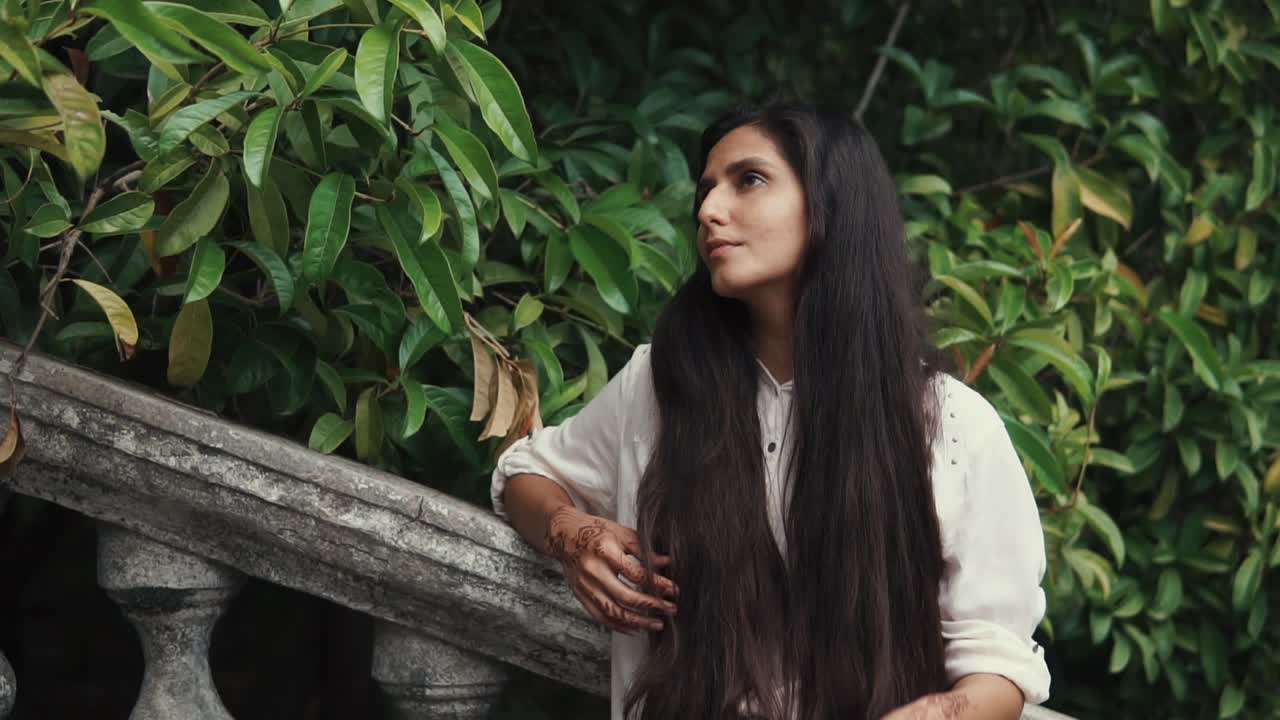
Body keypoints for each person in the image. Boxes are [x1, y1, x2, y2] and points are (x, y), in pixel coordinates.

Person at [491, 101, 1050, 720]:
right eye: (705, 190)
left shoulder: (953, 427)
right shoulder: (659, 384)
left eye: (748, 181)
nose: (708, 210)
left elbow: (1000, 666)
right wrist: (574, 535)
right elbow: (528, 474)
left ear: (830, 205)